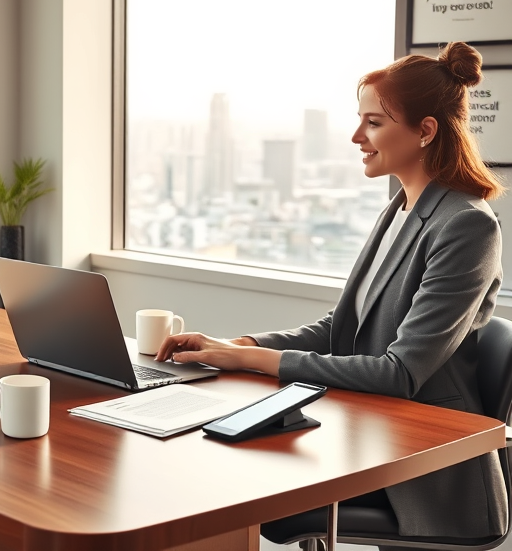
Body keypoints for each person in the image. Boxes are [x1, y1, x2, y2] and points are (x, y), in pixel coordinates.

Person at [156, 41, 508, 544]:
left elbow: (400, 373)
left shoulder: (467, 226)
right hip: (370, 437)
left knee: (236, 485)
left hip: (423, 472)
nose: (356, 136)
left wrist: (250, 364)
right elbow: (342, 328)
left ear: (425, 130)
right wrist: (242, 346)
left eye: (374, 123)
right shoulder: (401, 209)